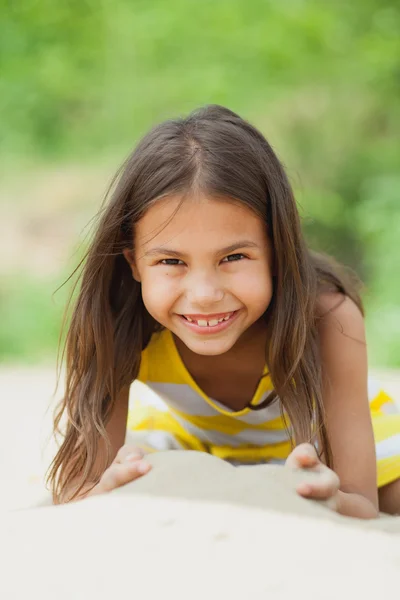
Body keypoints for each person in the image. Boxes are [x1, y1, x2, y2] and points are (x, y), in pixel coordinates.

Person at [48, 105, 400, 517]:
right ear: (134, 263)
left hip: (326, 448)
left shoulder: (328, 318)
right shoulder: (118, 319)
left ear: (276, 251)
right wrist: (103, 489)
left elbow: (361, 501)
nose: (203, 295)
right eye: (171, 262)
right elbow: (77, 489)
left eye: (233, 257)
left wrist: (332, 498)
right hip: (192, 441)